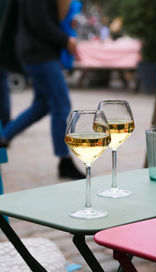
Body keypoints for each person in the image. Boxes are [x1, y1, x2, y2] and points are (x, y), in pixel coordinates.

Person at [0, 0, 85, 179]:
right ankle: (65, 161)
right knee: (61, 103)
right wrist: (66, 40)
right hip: (38, 53)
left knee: (43, 104)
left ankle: (4, 136)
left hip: (37, 51)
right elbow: (39, 22)